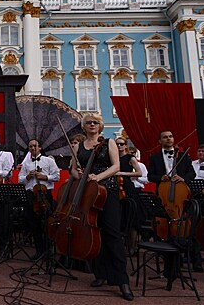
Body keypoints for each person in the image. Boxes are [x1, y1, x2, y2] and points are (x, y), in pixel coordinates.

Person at [71, 113, 133, 301]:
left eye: (95, 122)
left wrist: (98, 177)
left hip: (107, 191)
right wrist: (78, 175)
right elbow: (73, 168)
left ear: (100, 126)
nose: (91, 124)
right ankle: (101, 274)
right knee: (93, 233)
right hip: (87, 192)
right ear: (84, 126)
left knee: (112, 233)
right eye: (88, 122)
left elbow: (115, 167)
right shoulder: (77, 146)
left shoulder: (109, 143)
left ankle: (122, 280)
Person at [147, 130, 201, 287]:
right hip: (165, 202)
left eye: (171, 136)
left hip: (180, 200)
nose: (169, 139)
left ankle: (194, 260)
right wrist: (160, 178)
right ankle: (168, 265)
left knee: (188, 231)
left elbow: (192, 173)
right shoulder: (155, 158)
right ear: (160, 141)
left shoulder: (183, 156)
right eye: (165, 137)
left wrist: (183, 178)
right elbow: (151, 176)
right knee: (164, 233)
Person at [18, 139, 60, 259]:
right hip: (31, 195)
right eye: (30, 146)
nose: (32, 148)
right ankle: (39, 251)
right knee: (34, 224)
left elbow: (57, 176)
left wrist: (44, 177)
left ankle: (49, 251)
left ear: (40, 147)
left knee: (46, 223)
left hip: (45, 194)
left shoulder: (49, 161)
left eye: (35, 146)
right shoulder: (26, 164)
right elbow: (20, 179)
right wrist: (27, 176)